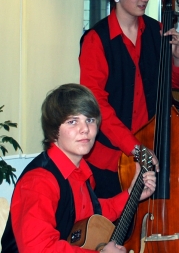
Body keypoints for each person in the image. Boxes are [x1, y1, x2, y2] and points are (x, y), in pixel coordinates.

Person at [79, 0, 179, 198]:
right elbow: (97, 104)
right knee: (116, 228)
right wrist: (136, 149)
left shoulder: (157, 30)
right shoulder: (96, 40)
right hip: (112, 157)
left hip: (155, 145)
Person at [1, 83, 156, 253]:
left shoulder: (79, 170)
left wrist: (131, 194)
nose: (85, 129)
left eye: (89, 120)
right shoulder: (39, 181)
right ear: (54, 130)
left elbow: (92, 214)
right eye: (72, 121)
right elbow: (39, 249)